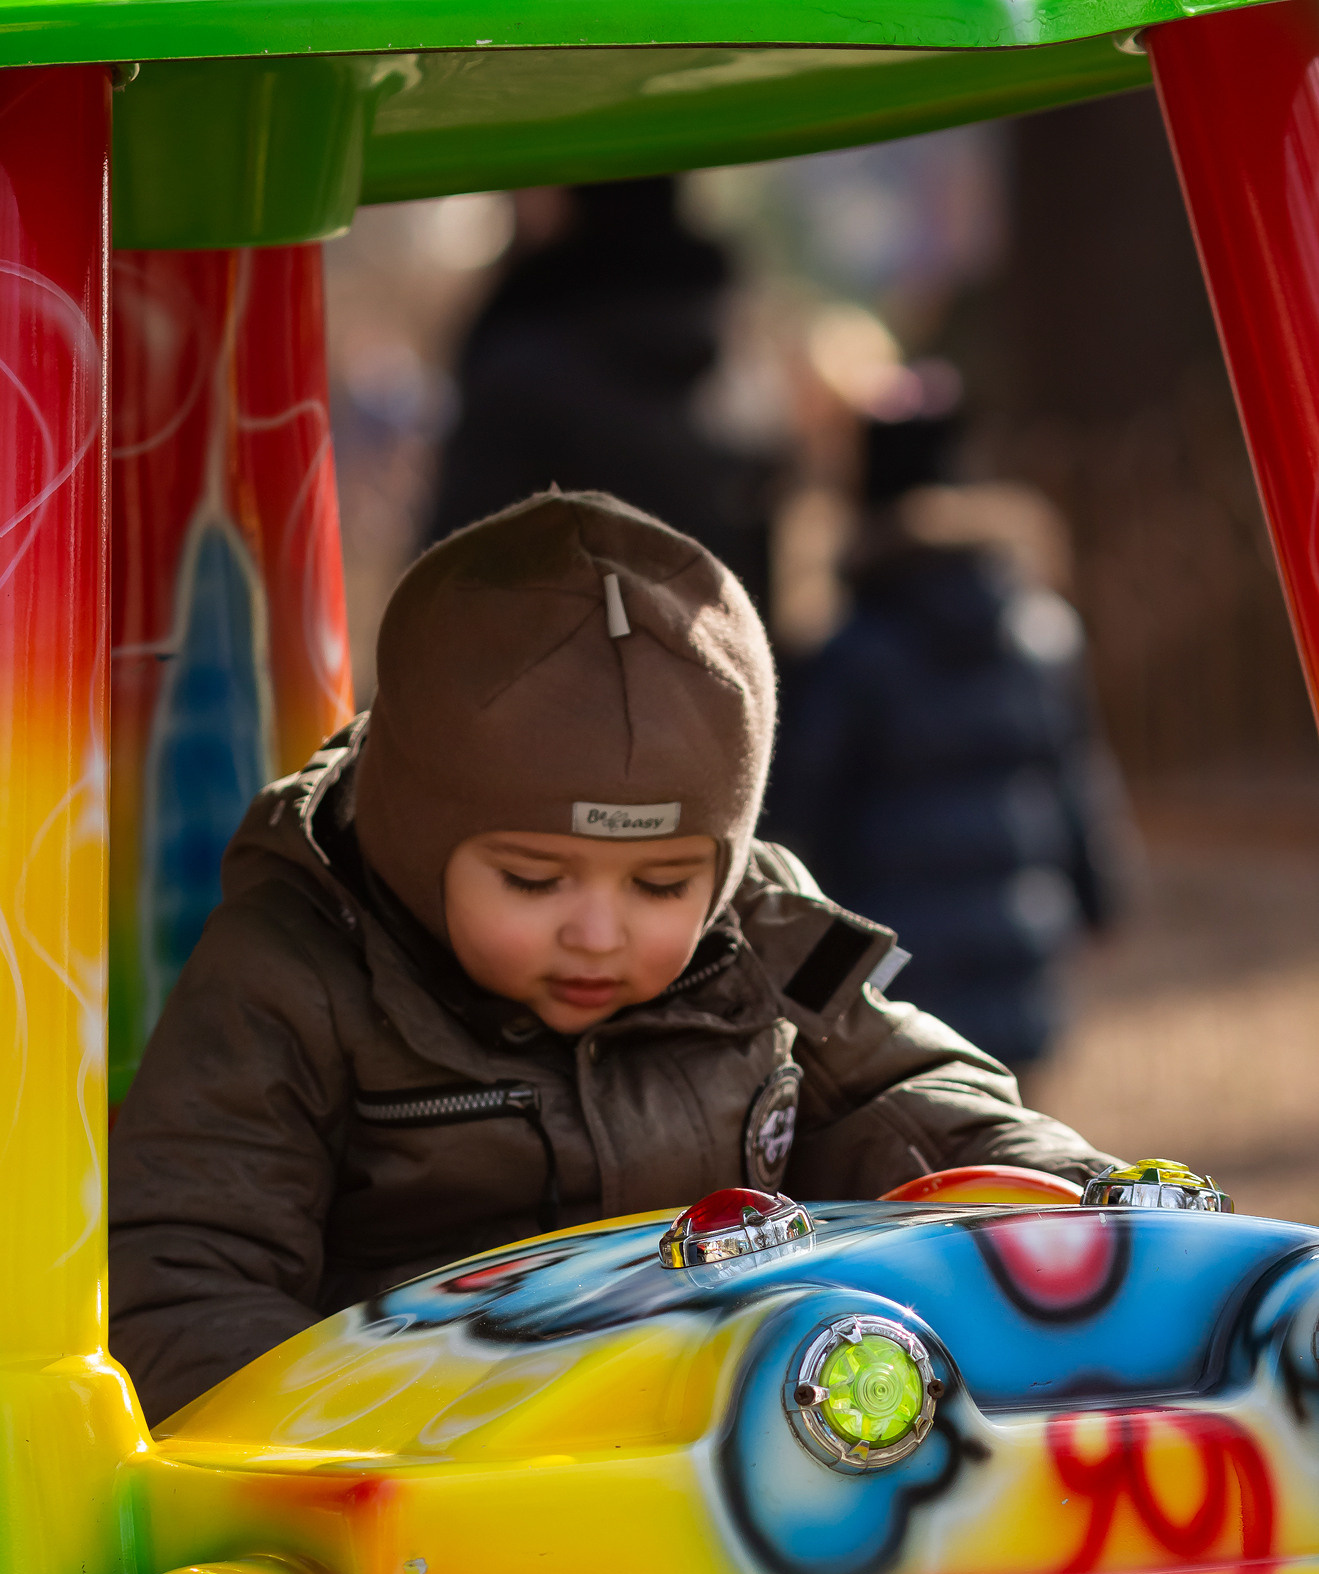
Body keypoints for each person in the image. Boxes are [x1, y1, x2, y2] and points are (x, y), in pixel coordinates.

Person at [110, 489, 1112, 1427]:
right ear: (415, 834)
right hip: (425, 1466)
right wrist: (347, 1450)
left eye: (661, 886)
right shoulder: (296, 976)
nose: (598, 931)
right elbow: (191, 1267)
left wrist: (1080, 1202)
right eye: (535, 883)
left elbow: (914, 1093)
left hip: (727, 1436)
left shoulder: (759, 931)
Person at [767, 369, 1135, 1080]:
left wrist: (803, 974)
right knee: (1014, 1152)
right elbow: (1073, 774)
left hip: (895, 965)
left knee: (910, 1157)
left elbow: (803, 813)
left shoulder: (851, 650)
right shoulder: (1037, 627)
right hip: (1016, 943)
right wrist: (1098, 901)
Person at [427, 179, 779, 616]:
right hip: (713, 670)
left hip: (546, 675)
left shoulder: (527, 371)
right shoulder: (736, 366)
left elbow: (447, 593)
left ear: (564, 200)